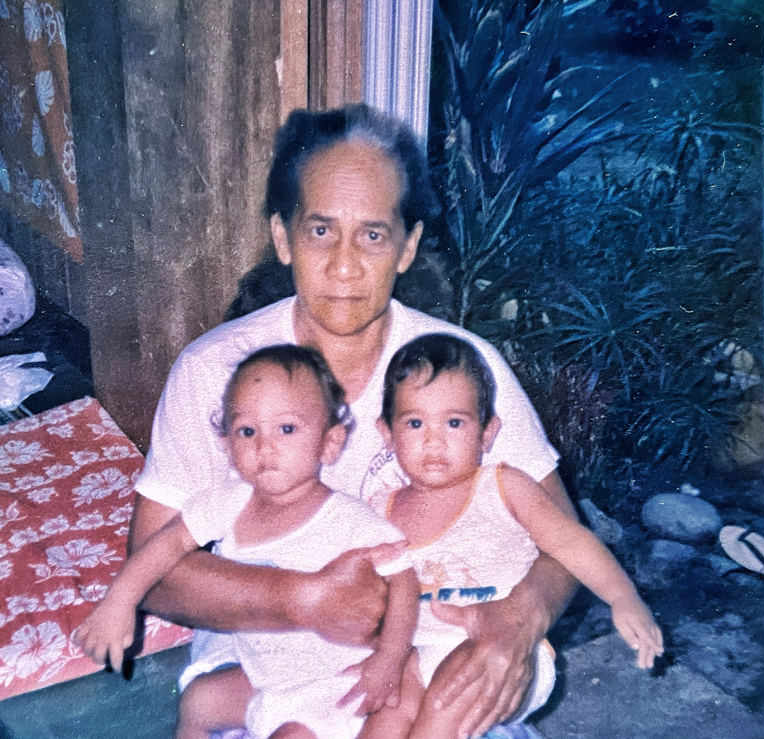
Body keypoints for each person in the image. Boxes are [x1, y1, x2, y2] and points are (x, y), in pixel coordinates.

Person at [130, 103, 579, 738]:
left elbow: (562, 537)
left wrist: (525, 612)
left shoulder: (462, 369)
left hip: (436, 649)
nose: (345, 264)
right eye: (320, 231)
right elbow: (152, 572)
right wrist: (296, 598)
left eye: (372, 234)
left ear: (407, 247)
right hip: (271, 665)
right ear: (283, 237)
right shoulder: (216, 369)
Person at [75, 345, 420, 739]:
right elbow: (164, 545)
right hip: (264, 675)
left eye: (286, 429)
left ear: (330, 442)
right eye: (247, 431)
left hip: (336, 682)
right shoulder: (229, 502)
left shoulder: (349, 519)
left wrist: (390, 660)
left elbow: (403, 576)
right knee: (198, 703)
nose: (265, 446)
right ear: (227, 446)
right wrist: (120, 601)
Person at [358, 333, 664, 739]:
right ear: (387, 433)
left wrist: (623, 598)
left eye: (454, 422)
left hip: (510, 656)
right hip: (420, 655)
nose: (434, 440)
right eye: (415, 423)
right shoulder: (380, 509)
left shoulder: (504, 486)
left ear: (487, 434)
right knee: (385, 716)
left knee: (443, 704)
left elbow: (571, 542)